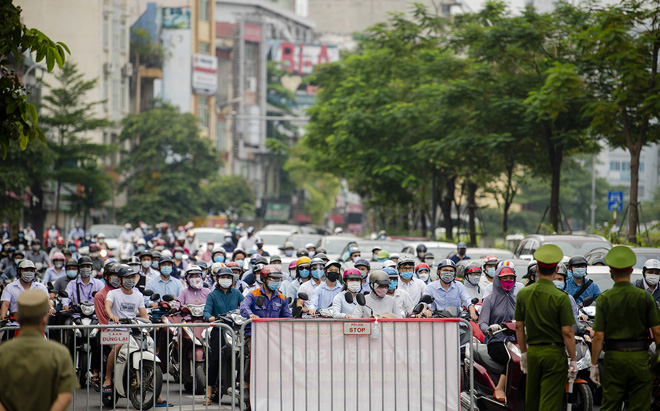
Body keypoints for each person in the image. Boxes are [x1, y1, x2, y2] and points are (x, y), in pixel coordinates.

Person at [590, 246, 660, 411]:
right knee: (639, 405)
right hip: (640, 359)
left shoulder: (604, 299)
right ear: (631, 271)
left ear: (611, 272)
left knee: (610, 405)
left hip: (614, 359)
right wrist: (657, 358)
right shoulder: (645, 297)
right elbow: (657, 332)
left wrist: (593, 365)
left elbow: (599, 336)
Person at [514, 244, 577, 411]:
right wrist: (574, 359)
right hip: (554, 354)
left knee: (532, 400)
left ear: (536, 269)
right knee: (550, 403)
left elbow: (519, 327)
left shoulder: (523, 293)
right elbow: (567, 332)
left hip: (533, 353)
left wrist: (524, 353)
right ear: (556, 269)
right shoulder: (561, 297)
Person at [0, 290, 79, 411]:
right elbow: (65, 396)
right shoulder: (59, 353)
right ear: (45, 318)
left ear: (17, 317)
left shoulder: (3, 352)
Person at [240, 265, 292, 397]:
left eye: (277, 279)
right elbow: (243, 307)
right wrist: (251, 314)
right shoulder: (254, 294)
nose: (276, 281)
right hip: (254, 335)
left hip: (274, 337)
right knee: (253, 356)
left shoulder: (281, 298)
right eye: (273, 278)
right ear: (264, 279)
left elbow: (287, 317)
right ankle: (246, 386)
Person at [203, 267, 244, 405]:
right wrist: (210, 318)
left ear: (232, 279)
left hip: (237, 331)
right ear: (217, 279)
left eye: (228, 277)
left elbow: (245, 307)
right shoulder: (212, 295)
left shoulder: (237, 293)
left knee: (245, 357)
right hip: (219, 330)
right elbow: (207, 311)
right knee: (215, 360)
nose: (225, 279)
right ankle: (208, 394)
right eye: (223, 277)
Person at [479, 266, 517, 402]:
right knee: (512, 359)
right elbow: (482, 322)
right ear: (497, 280)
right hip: (497, 341)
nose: (508, 281)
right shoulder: (490, 299)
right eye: (504, 278)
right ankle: (499, 388)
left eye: (511, 278)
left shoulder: (517, 299)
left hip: (515, 341)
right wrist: (489, 328)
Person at [0, 260, 53, 328]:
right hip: (15, 325)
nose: (29, 272)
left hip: (36, 325)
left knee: (52, 334)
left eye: (31, 270)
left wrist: (51, 308)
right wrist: (2, 315)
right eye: (26, 270)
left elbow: (47, 301)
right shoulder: (10, 287)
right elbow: (5, 304)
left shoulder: (40, 287)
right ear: (19, 271)